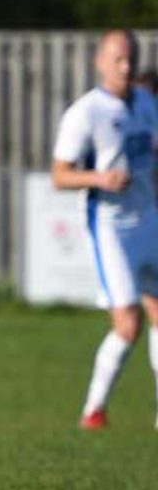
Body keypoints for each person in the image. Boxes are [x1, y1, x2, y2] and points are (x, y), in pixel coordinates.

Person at [52, 29, 158, 430]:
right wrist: (99, 179)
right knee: (128, 324)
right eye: (118, 60)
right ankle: (93, 410)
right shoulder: (86, 113)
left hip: (149, 218)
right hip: (111, 227)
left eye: (131, 59)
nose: (126, 67)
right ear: (100, 62)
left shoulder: (147, 103)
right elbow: (60, 175)